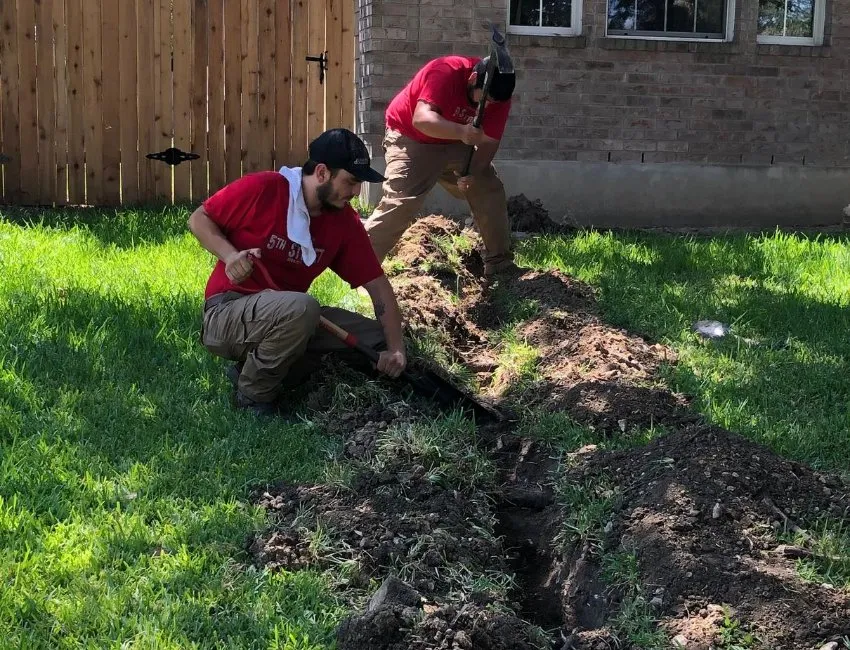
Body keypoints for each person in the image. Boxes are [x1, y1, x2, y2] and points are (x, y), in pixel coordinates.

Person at [188, 128, 407, 416]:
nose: (356, 192)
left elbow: (378, 286)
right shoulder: (265, 188)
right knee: (304, 308)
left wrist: (395, 349)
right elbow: (199, 218)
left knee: (374, 340)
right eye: (351, 181)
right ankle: (253, 397)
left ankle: (259, 369)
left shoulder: (343, 223)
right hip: (226, 313)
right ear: (321, 173)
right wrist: (230, 256)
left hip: (290, 318)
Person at [362, 54, 517, 276]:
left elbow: (490, 142)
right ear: (473, 77)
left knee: (488, 187)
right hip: (412, 137)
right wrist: (462, 132)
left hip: (455, 142)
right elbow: (421, 119)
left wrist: (471, 174)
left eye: (494, 102)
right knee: (402, 201)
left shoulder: (500, 94)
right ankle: (361, 270)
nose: (489, 105)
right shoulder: (445, 71)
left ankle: (499, 265)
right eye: (485, 99)